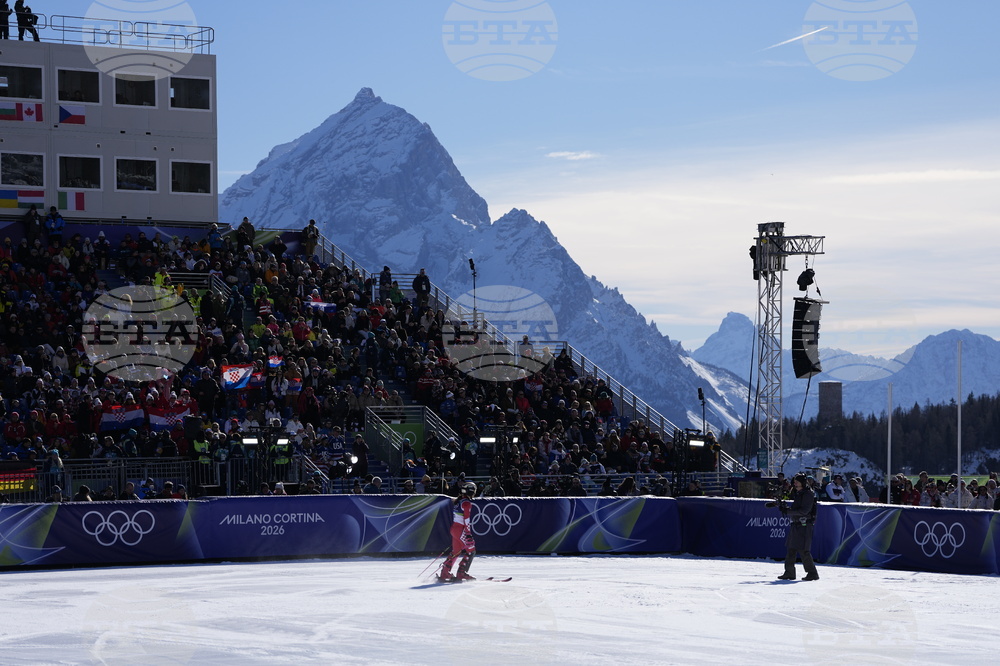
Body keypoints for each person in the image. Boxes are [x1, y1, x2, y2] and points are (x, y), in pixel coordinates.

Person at [777, 474, 819, 581]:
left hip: (804, 525)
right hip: (797, 524)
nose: (794, 483)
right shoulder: (799, 493)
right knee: (791, 549)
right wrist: (785, 508)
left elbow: (804, 511)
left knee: (804, 550)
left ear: (802, 483)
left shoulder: (808, 494)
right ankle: (789, 572)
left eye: (797, 482)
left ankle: (812, 573)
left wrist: (788, 511)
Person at [439, 481, 476, 582]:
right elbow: (467, 519)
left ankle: (445, 573)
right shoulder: (467, 503)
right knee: (471, 549)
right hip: (460, 530)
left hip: (454, 529)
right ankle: (461, 573)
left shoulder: (458, 502)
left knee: (456, 551)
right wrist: (468, 533)